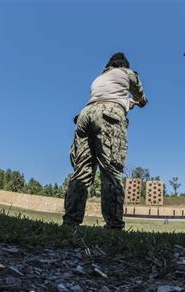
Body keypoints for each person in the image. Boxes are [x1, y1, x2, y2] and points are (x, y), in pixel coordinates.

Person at [63, 52, 148, 229]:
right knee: (111, 172)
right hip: (108, 114)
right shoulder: (126, 72)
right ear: (124, 64)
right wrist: (142, 100)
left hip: (85, 115)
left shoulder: (100, 78)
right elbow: (138, 92)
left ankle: (70, 222)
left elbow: (118, 98)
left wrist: (131, 103)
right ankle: (114, 225)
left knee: (82, 171)